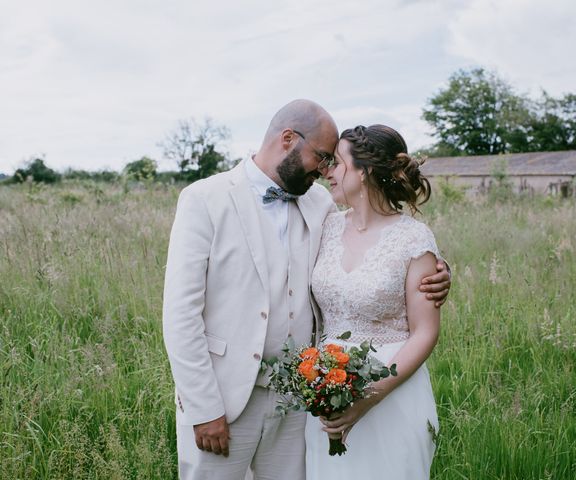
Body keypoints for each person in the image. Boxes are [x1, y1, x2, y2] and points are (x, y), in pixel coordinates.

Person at [162, 101, 451, 480]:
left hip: (302, 404)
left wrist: (438, 271)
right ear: (287, 139)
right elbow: (180, 313)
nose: (326, 169)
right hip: (224, 400)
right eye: (321, 157)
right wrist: (203, 407)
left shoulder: (320, 205)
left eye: (334, 161)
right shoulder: (204, 199)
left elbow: (389, 244)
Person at [305, 125, 441, 479]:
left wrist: (369, 397)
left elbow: (425, 332)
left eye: (336, 163)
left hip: (391, 393)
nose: (327, 172)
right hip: (326, 394)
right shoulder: (327, 227)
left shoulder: (414, 239)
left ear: (363, 171)